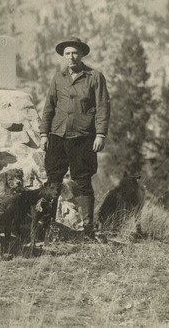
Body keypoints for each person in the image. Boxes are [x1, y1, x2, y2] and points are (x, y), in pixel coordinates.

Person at [39, 37, 110, 237]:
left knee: (83, 181)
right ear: (63, 55)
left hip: (83, 137)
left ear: (82, 55)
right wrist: (44, 133)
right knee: (53, 181)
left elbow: (103, 107)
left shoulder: (94, 77)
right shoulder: (57, 78)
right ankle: (45, 227)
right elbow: (49, 108)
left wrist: (101, 134)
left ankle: (87, 229)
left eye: (75, 53)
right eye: (67, 53)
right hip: (57, 136)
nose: (71, 57)